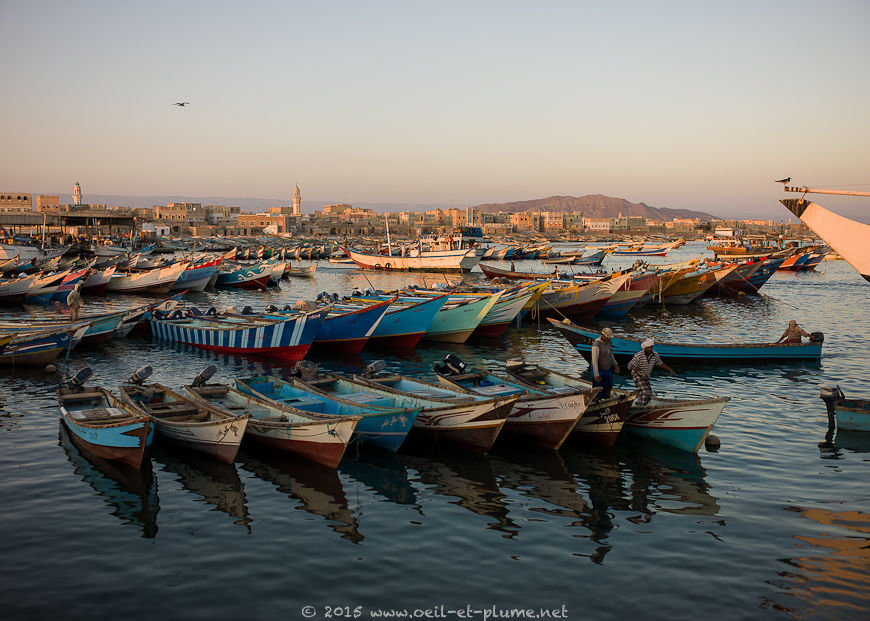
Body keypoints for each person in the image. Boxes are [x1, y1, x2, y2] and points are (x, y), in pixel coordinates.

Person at [627, 338, 675, 406]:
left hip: (646, 375)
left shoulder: (655, 355)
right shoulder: (638, 355)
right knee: (645, 391)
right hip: (637, 375)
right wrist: (635, 368)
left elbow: (660, 363)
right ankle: (639, 406)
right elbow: (630, 365)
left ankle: (640, 402)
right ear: (645, 348)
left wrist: (669, 369)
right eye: (648, 348)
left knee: (649, 393)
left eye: (651, 347)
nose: (650, 349)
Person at [591, 327, 620, 401]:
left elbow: (610, 354)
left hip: (607, 367)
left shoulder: (609, 342)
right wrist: (596, 374)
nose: (608, 339)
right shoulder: (596, 344)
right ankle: (597, 400)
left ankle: (607, 400)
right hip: (599, 368)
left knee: (608, 385)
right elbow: (594, 360)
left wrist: (615, 365)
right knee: (598, 387)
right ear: (602, 335)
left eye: (609, 338)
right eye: (607, 337)